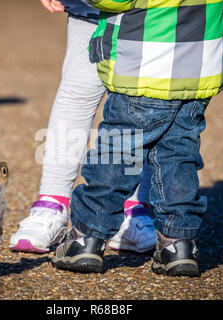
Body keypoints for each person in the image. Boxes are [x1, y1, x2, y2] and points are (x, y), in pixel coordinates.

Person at [51, 0, 223, 277]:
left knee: (116, 156)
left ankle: (87, 239)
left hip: (142, 68)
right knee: (179, 157)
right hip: (199, 72)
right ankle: (178, 244)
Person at [9, 0, 157, 254]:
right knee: (78, 93)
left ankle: (133, 208)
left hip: (158, 14)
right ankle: (52, 204)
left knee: (147, 101)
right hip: (91, 6)